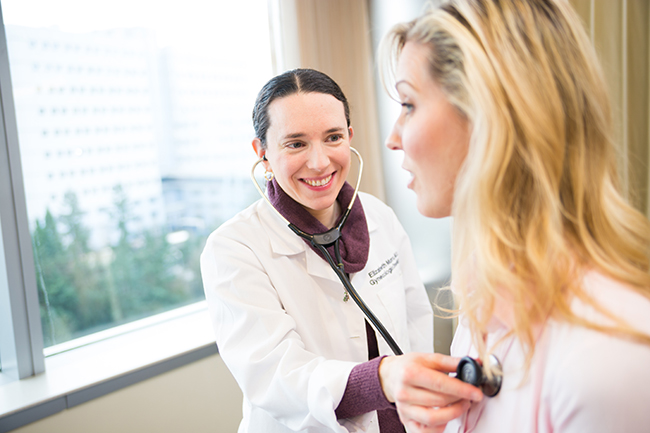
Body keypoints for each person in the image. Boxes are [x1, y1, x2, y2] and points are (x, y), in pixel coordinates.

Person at [380, 0, 650, 432]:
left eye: (409, 104)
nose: (394, 138)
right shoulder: (486, 307)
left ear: (488, 116)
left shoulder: (606, 359)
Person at [200, 68, 481, 433]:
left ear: (349, 137)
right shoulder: (235, 248)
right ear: (262, 152)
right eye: (296, 143)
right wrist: (380, 379)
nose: (319, 162)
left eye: (332, 137)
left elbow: (414, 323)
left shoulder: (380, 217)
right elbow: (274, 376)